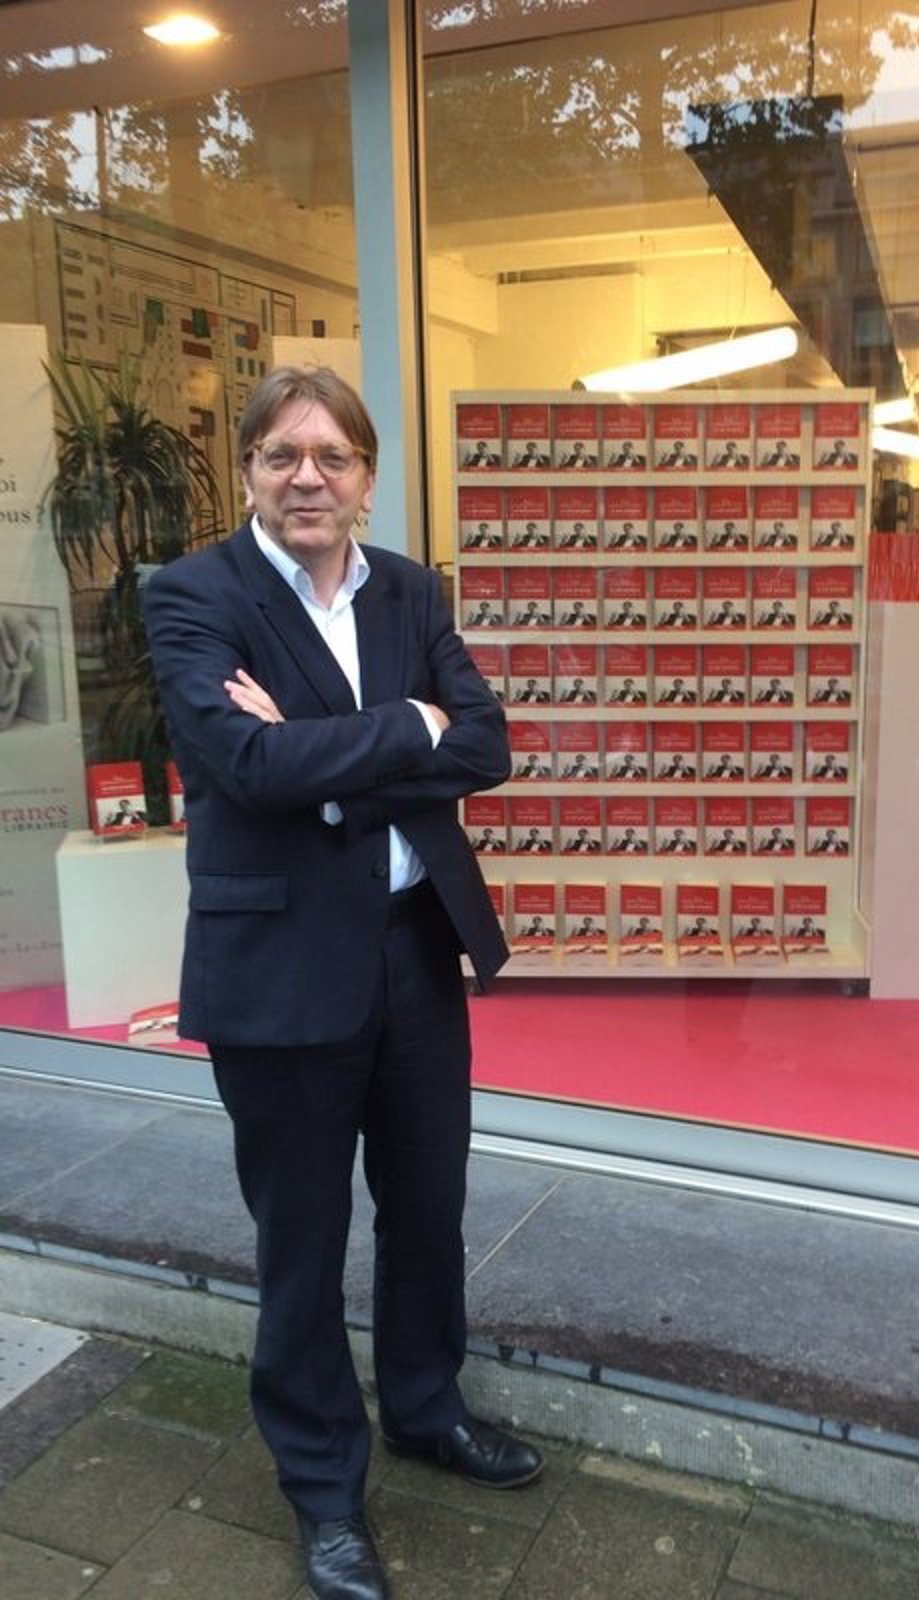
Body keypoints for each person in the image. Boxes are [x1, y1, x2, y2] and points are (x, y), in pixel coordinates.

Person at [143, 367, 541, 1600]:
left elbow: (488, 744)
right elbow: (247, 765)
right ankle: (323, 1488)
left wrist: (332, 759)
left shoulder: (410, 589)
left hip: (414, 944)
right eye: (281, 455)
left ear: (368, 475)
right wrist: (408, 727)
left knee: (427, 1204)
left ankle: (426, 1405)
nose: (307, 477)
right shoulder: (193, 594)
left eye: (332, 456)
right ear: (248, 473)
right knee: (302, 1241)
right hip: (281, 966)